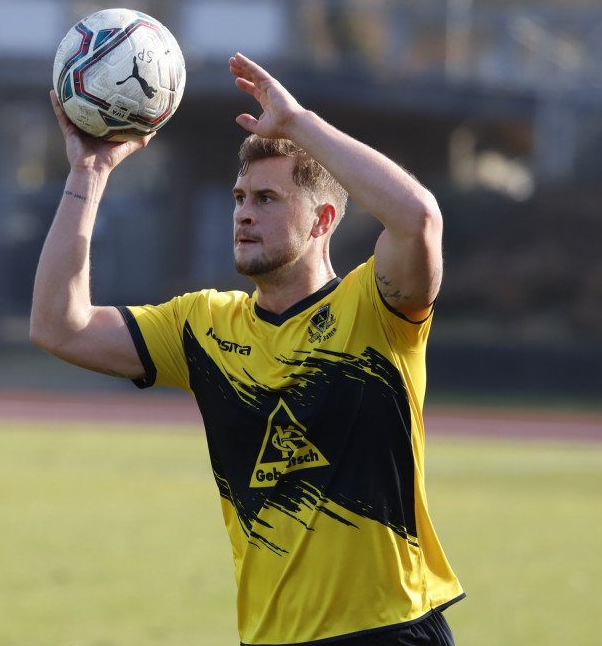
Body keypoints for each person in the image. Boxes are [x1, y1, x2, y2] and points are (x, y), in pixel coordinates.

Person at [30, 53, 464, 645]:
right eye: (239, 198)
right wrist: (89, 172)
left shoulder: (375, 310)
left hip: (389, 630)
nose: (243, 214)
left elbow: (418, 220)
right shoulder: (202, 324)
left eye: (266, 199)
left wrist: (298, 123)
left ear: (322, 220)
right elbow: (59, 326)